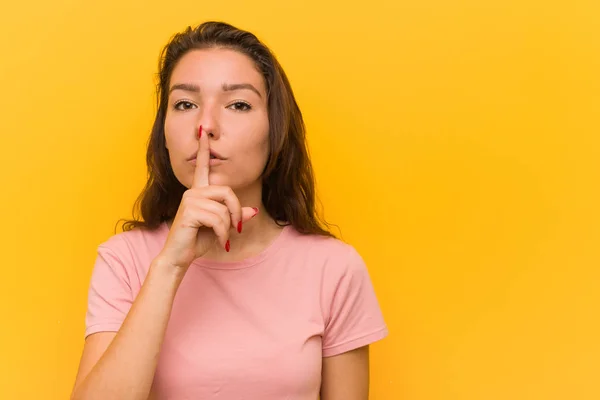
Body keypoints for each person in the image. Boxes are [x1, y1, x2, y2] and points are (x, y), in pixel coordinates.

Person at [70, 21, 388, 400]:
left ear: (275, 130)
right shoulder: (124, 260)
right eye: (185, 104)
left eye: (238, 104)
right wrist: (170, 266)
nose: (205, 126)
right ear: (164, 133)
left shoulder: (334, 268)